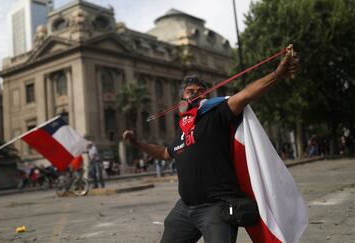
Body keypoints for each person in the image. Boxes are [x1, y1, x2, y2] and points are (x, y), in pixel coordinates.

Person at [123, 45, 298, 242]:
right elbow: (165, 153)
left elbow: (247, 94)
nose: (196, 94)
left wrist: (277, 74)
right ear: (182, 98)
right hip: (185, 208)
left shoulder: (218, 113)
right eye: (191, 91)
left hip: (216, 207)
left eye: (201, 91)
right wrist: (137, 142)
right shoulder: (183, 126)